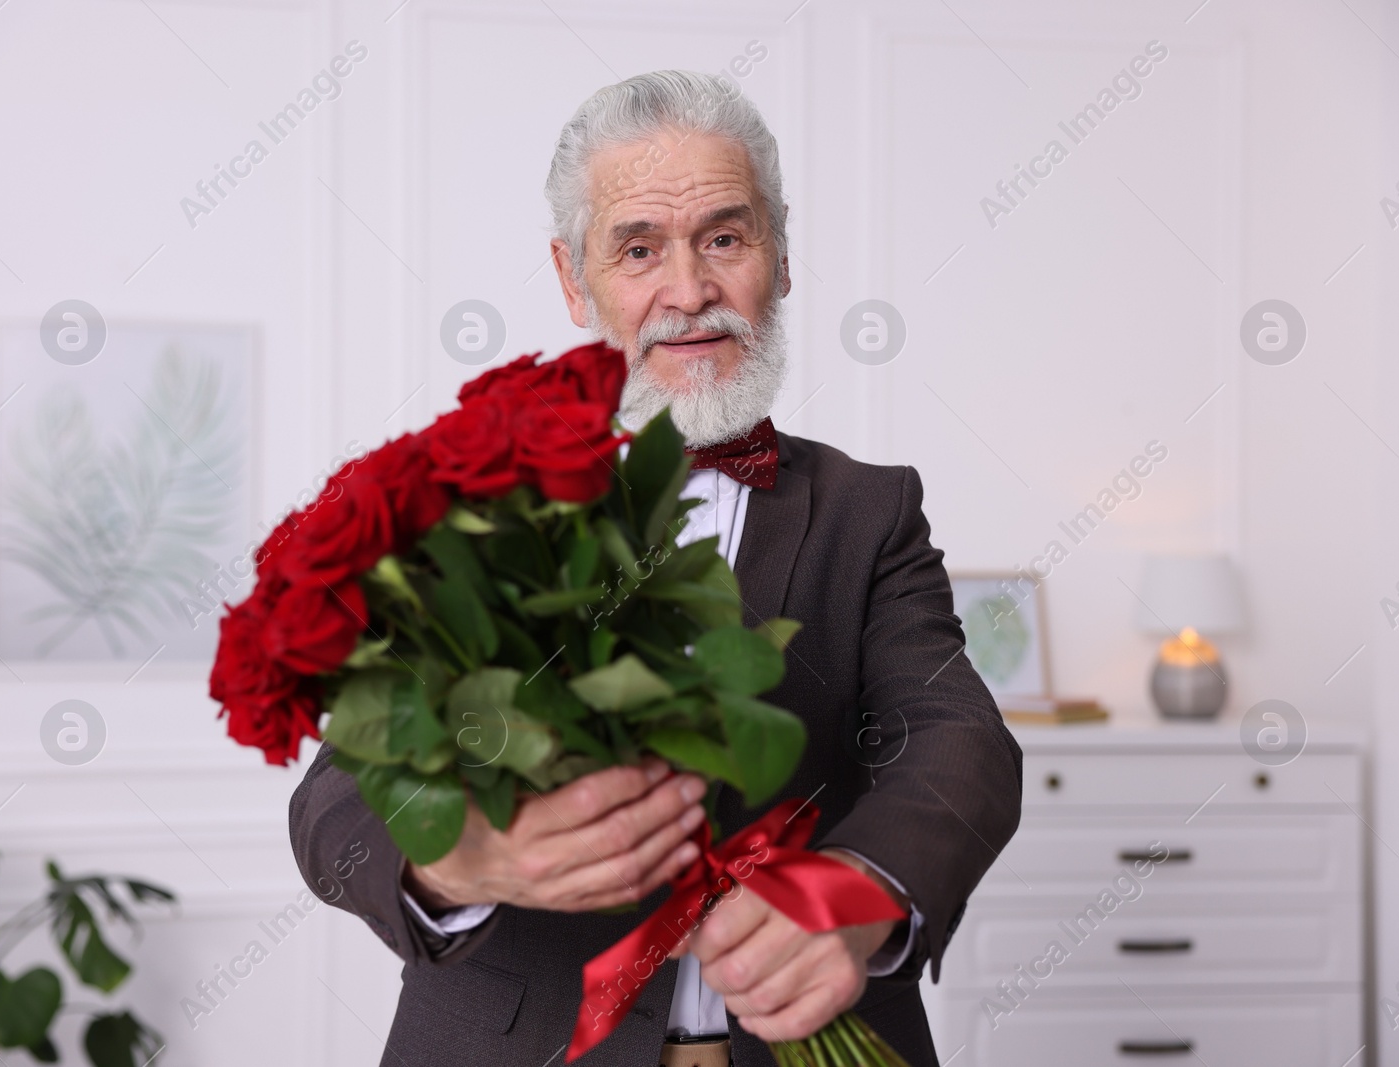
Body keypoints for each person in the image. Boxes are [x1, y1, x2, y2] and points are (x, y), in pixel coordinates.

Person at [290, 70, 1022, 1067]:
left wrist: (855, 890)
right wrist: (456, 858)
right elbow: (337, 795)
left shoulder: (870, 508)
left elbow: (953, 737)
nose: (689, 292)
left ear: (781, 252)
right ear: (572, 276)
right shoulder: (470, 499)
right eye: (639, 249)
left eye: (724, 237)